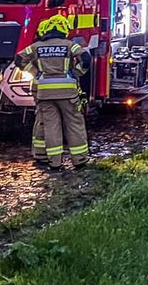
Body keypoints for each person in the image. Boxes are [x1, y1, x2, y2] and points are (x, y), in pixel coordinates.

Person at [13, 13, 90, 169]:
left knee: (51, 126)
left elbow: (19, 60)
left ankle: (54, 163)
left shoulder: (36, 47)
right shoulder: (69, 45)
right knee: (74, 124)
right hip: (68, 93)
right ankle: (79, 160)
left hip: (44, 93)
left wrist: (36, 73)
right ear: (64, 29)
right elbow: (86, 58)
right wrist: (76, 73)